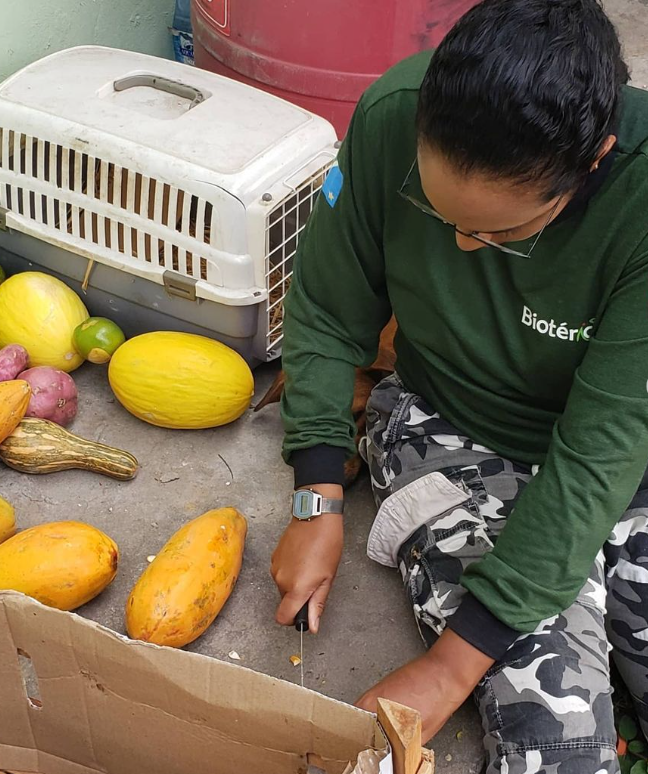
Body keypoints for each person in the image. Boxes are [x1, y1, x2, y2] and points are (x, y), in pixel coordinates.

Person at [270, 0, 648, 772]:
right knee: (559, 748)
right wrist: (317, 491)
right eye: (435, 211)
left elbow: (598, 453)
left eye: (500, 235)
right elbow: (327, 306)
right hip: (449, 424)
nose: (457, 245)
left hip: (621, 454)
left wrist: (448, 668)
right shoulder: (390, 116)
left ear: (596, 160)